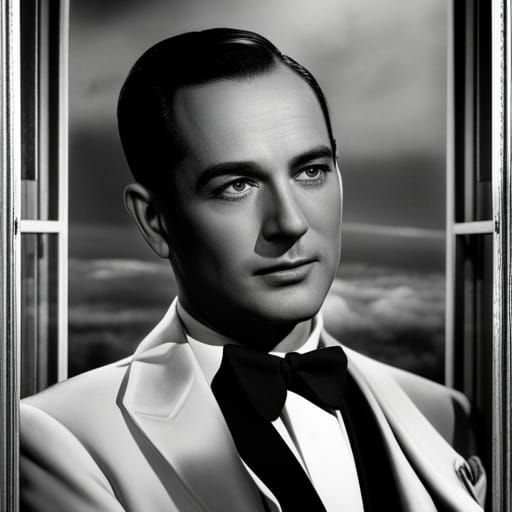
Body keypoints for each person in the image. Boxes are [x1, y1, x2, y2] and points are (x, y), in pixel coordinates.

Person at [20, 28, 486, 511]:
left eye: (310, 171)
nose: (291, 222)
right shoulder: (64, 437)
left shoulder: (441, 414)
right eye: (237, 185)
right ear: (154, 221)